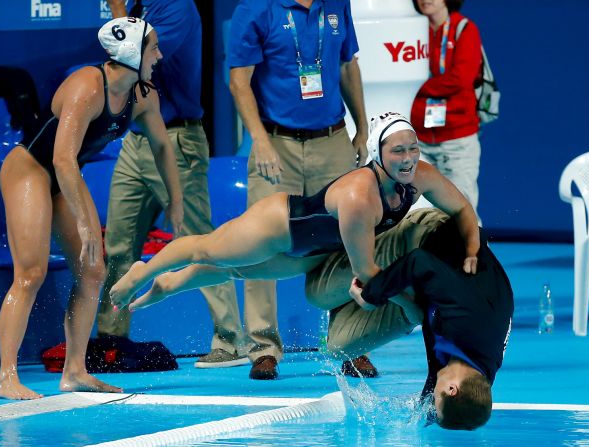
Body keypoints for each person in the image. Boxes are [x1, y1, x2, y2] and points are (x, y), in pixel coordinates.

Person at [109, 113, 481, 378]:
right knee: (207, 250)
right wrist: (412, 307)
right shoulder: (359, 196)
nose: (408, 159)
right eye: (398, 151)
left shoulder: (421, 176)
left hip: (313, 253)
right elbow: (367, 273)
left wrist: (472, 249)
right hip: (278, 227)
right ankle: (148, 270)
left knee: (236, 271)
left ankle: (170, 285)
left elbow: (463, 208)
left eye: (413, 148)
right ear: (377, 155)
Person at [0, 17, 184, 400]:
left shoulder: (143, 96)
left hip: (66, 180)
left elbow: (163, 147)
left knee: (93, 272)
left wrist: (176, 203)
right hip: (30, 169)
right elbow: (62, 159)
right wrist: (84, 224)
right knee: (31, 272)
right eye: (153, 48)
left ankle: (75, 371)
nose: (159, 56)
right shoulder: (86, 87)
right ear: (131, 53)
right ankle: (6, 376)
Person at [97, 0, 249, 369]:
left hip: (176, 140)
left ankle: (230, 340)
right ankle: (112, 339)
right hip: (135, 139)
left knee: (199, 241)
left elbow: (138, 57)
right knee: (119, 244)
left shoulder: (177, 7)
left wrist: (117, 8)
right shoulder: (138, 7)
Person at [228, 0, 371, 380]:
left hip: (333, 140)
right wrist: (257, 139)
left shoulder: (337, 3)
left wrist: (363, 128)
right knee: (258, 245)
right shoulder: (256, 8)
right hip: (277, 144)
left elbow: (346, 65)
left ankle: (351, 344)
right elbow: (239, 79)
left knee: (348, 242)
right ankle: (263, 348)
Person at [309, 207, 513, 430]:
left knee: (338, 346)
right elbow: (418, 261)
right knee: (318, 293)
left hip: (430, 290)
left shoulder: (474, 381)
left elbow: (438, 386)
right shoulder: (471, 322)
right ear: (452, 389)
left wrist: (417, 426)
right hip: (424, 239)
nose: (430, 402)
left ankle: (362, 276)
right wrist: (371, 295)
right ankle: (349, 233)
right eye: (435, 403)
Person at [411, 0, 485, 223]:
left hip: (457, 139)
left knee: (463, 205)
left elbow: (460, 79)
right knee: (419, 211)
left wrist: (415, 87)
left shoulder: (465, 29)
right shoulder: (412, 29)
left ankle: (475, 256)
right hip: (419, 138)